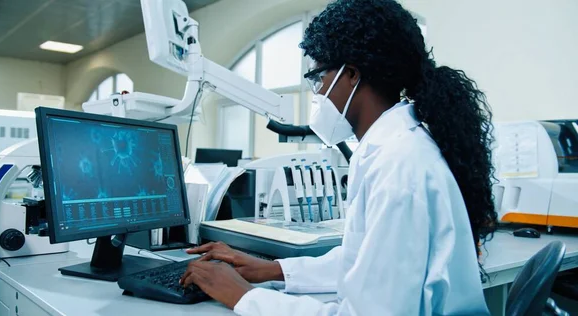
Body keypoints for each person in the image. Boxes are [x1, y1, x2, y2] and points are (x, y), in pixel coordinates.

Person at [180, 0, 498, 314]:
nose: (317, 93)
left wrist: (244, 296)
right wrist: (274, 270)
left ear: (351, 75)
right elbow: (361, 262)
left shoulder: (399, 167)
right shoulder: (392, 148)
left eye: (318, 78)